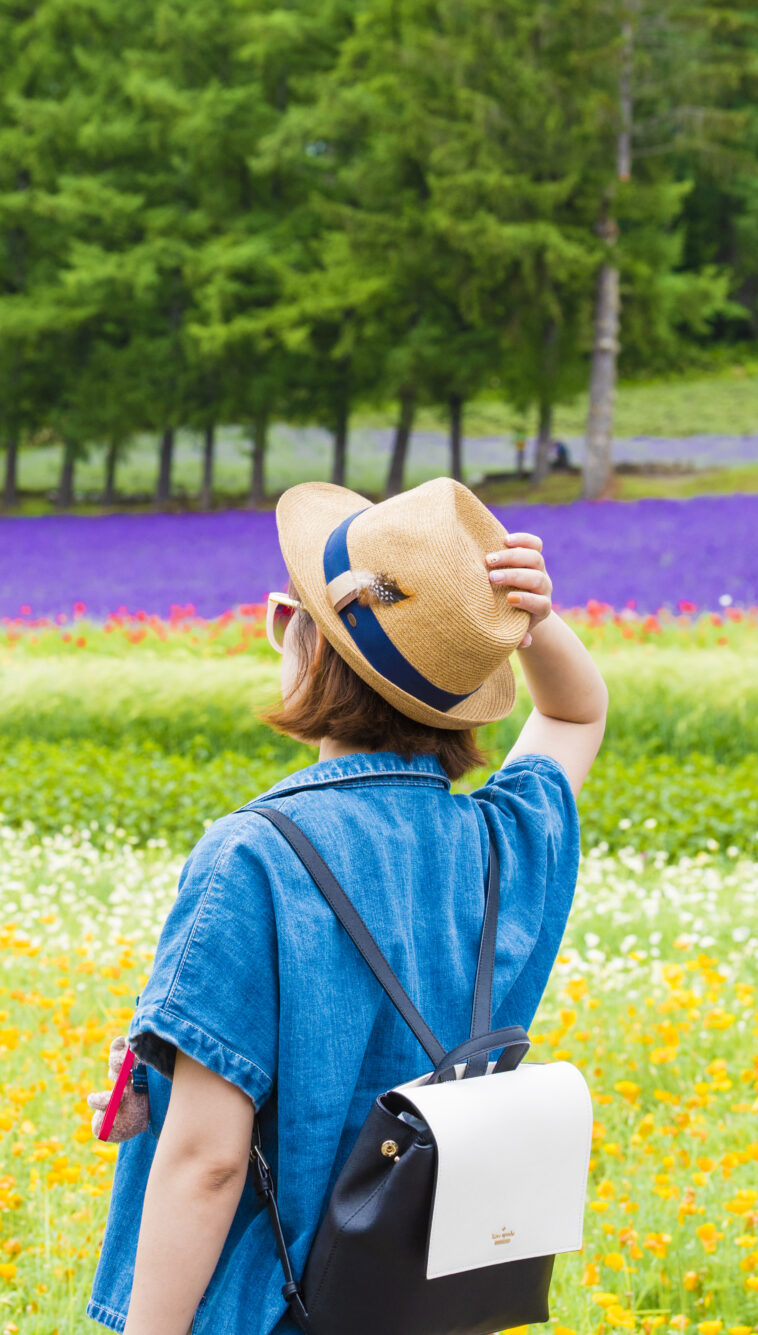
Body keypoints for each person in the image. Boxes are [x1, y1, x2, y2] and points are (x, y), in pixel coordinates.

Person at [85, 478, 608, 1335]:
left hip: (268, 1307)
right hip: (419, 1304)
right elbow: (577, 709)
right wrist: (532, 618)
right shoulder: (504, 843)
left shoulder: (253, 857)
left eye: (288, 612)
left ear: (303, 641)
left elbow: (207, 1163)